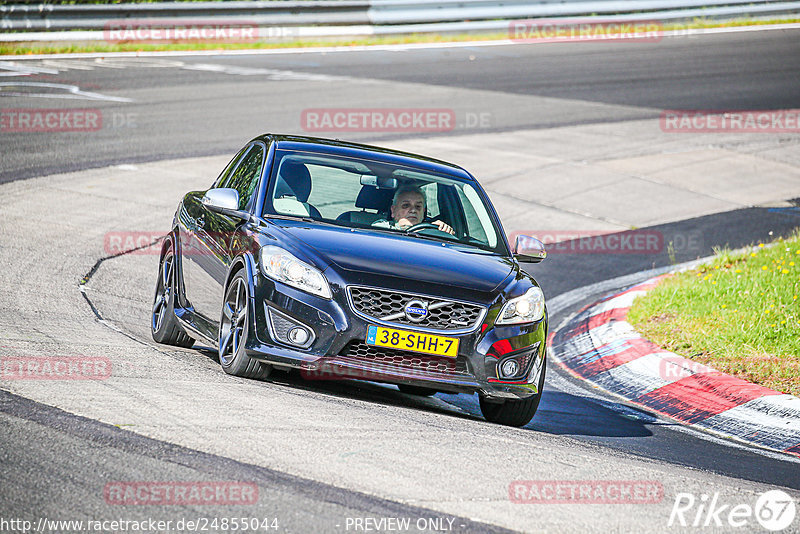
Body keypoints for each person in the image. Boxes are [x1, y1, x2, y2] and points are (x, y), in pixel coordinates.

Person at [372, 186, 454, 234]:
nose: (413, 210)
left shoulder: (432, 232)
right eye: (406, 205)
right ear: (393, 211)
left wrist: (441, 231)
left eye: (418, 206)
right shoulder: (382, 228)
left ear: (423, 212)